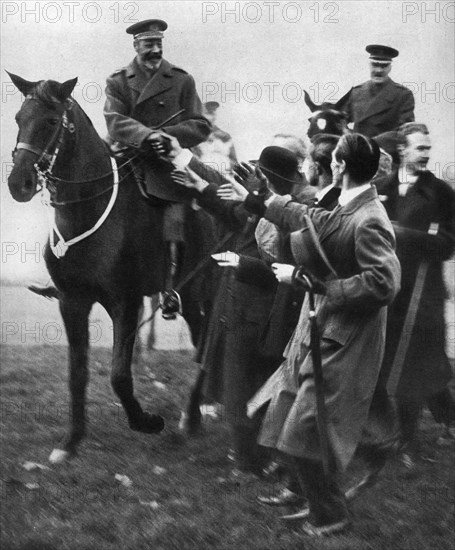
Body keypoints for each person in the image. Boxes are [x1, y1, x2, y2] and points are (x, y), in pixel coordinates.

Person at [230, 133, 401, 535]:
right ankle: (322, 505)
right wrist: (258, 200)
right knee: (292, 413)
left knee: (307, 426)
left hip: (349, 332)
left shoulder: (370, 217)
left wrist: (315, 284)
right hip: (325, 323)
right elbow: (307, 219)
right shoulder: (347, 203)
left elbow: (384, 284)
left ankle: (331, 513)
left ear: (339, 167)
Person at [374, 122, 455, 466]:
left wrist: (405, 235)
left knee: (414, 365)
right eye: (419, 148)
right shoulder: (380, 187)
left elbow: (449, 243)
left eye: (428, 147)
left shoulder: (441, 193)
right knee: (390, 361)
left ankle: (407, 443)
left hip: (424, 292)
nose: (425, 153)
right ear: (401, 150)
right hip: (385, 287)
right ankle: (448, 417)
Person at [104, 19, 210, 202]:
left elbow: (201, 126)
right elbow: (114, 120)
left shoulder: (182, 79)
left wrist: (165, 136)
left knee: (177, 220)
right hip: (130, 163)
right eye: (148, 45)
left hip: (172, 166)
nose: (155, 50)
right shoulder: (118, 81)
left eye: (159, 44)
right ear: (136, 45)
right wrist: (147, 136)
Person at [338, 45, 415, 137]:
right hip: (358, 148)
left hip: (385, 150)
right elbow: (340, 119)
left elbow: (406, 131)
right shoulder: (356, 92)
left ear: (390, 68)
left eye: (384, 66)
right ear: (369, 65)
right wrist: (347, 133)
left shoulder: (403, 95)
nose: (378, 70)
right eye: (375, 65)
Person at [192, 101, 237, 175]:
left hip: (225, 177)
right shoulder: (193, 136)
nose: (212, 117)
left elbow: (234, 162)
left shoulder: (224, 136)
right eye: (208, 113)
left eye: (213, 113)